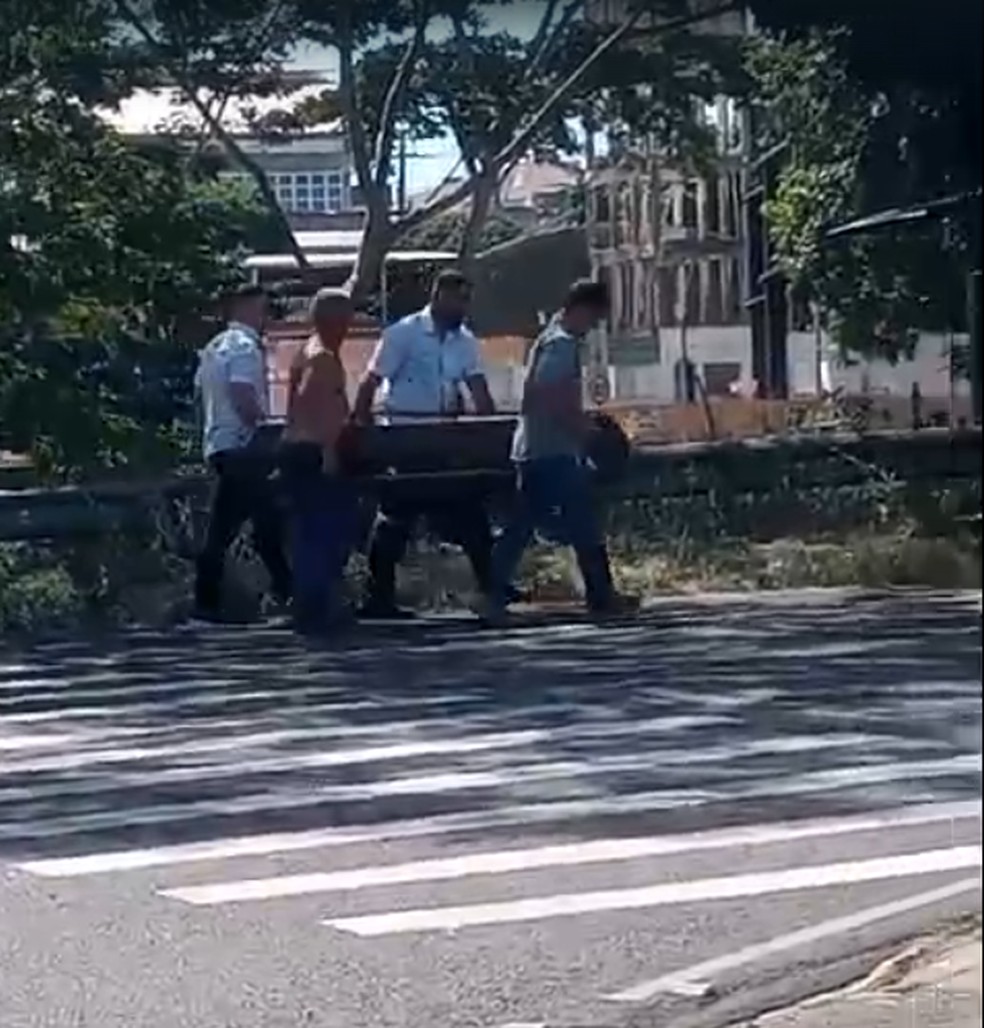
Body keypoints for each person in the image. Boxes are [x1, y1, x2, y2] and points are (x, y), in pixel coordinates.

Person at [478, 279, 637, 622]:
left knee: (523, 526)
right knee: (580, 523)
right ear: (582, 310)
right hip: (551, 450)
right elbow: (550, 396)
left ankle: (491, 592)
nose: (592, 327)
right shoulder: (561, 345)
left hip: (538, 447)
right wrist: (586, 433)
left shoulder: (550, 338)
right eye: (593, 319)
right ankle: (601, 596)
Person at [351, 268, 500, 619]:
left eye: (466, 301)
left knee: (470, 514)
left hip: (446, 439)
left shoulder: (464, 341)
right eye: (457, 300)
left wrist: (490, 430)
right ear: (438, 297)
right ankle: (379, 597)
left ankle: (492, 589)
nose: (463, 308)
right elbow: (371, 382)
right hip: (406, 439)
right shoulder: (403, 334)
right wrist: (364, 429)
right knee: (394, 520)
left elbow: (478, 389)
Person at [193, 283, 291, 622]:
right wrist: (265, 427)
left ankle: (285, 593)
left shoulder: (215, 346)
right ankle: (288, 595)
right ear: (245, 307)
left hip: (220, 444)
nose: (267, 317)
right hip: (244, 447)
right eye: (263, 309)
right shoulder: (245, 347)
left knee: (254, 527)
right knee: (254, 528)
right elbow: (241, 392)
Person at [279, 287, 359, 636]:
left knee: (309, 532)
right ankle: (315, 609)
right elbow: (314, 401)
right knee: (322, 531)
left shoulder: (306, 350)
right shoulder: (323, 358)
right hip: (313, 450)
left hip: (296, 448)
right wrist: (328, 448)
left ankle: (311, 605)